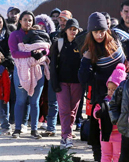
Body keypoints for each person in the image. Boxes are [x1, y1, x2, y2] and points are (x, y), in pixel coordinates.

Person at [79, 12, 129, 162]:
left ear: (107, 29)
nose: (99, 34)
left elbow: (127, 61)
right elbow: (83, 78)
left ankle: (121, 161)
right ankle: (98, 161)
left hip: (120, 93)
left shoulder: (117, 42)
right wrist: (86, 60)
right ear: (91, 32)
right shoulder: (88, 49)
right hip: (100, 94)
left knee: (120, 127)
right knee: (99, 128)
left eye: (102, 31)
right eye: (96, 32)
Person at [9, 11, 50, 139]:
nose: (28, 22)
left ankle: (34, 130)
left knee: (35, 101)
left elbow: (47, 47)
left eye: (30, 20)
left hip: (37, 69)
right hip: (21, 70)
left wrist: (41, 52)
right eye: (25, 19)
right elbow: (15, 53)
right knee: (20, 101)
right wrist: (31, 54)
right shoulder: (15, 35)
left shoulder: (38, 33)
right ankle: (17, 129)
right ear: (20, 21)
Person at [50, 18, 83, 148]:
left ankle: (67, 134)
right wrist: (54, 83)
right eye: (70, 29)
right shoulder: (59, 43)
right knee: (64, 110)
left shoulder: (81, 45)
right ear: (66, 30)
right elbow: (53, 65)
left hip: (77, 83)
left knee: (72, 111)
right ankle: (66, 137)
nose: (73, 32)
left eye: (75, 29)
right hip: (62, 82)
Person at [93, 64, 125, 162]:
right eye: (109, 89)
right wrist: (97, 113)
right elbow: (96, 110)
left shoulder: (122, 102)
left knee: (118, 154)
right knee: (105, 153)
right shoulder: (103, 101)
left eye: (114, 89)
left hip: (118, 133)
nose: (111, 91)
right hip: (105, 132)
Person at [35, 14, 59, 137]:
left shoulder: (54, 38)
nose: (40, 28)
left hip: (52, 72)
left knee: (52, 100)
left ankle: (50, 126)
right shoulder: (32, 39)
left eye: (43, 26)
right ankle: (35, 123)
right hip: (37, 72)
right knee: (37, 99)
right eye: (38, 25)